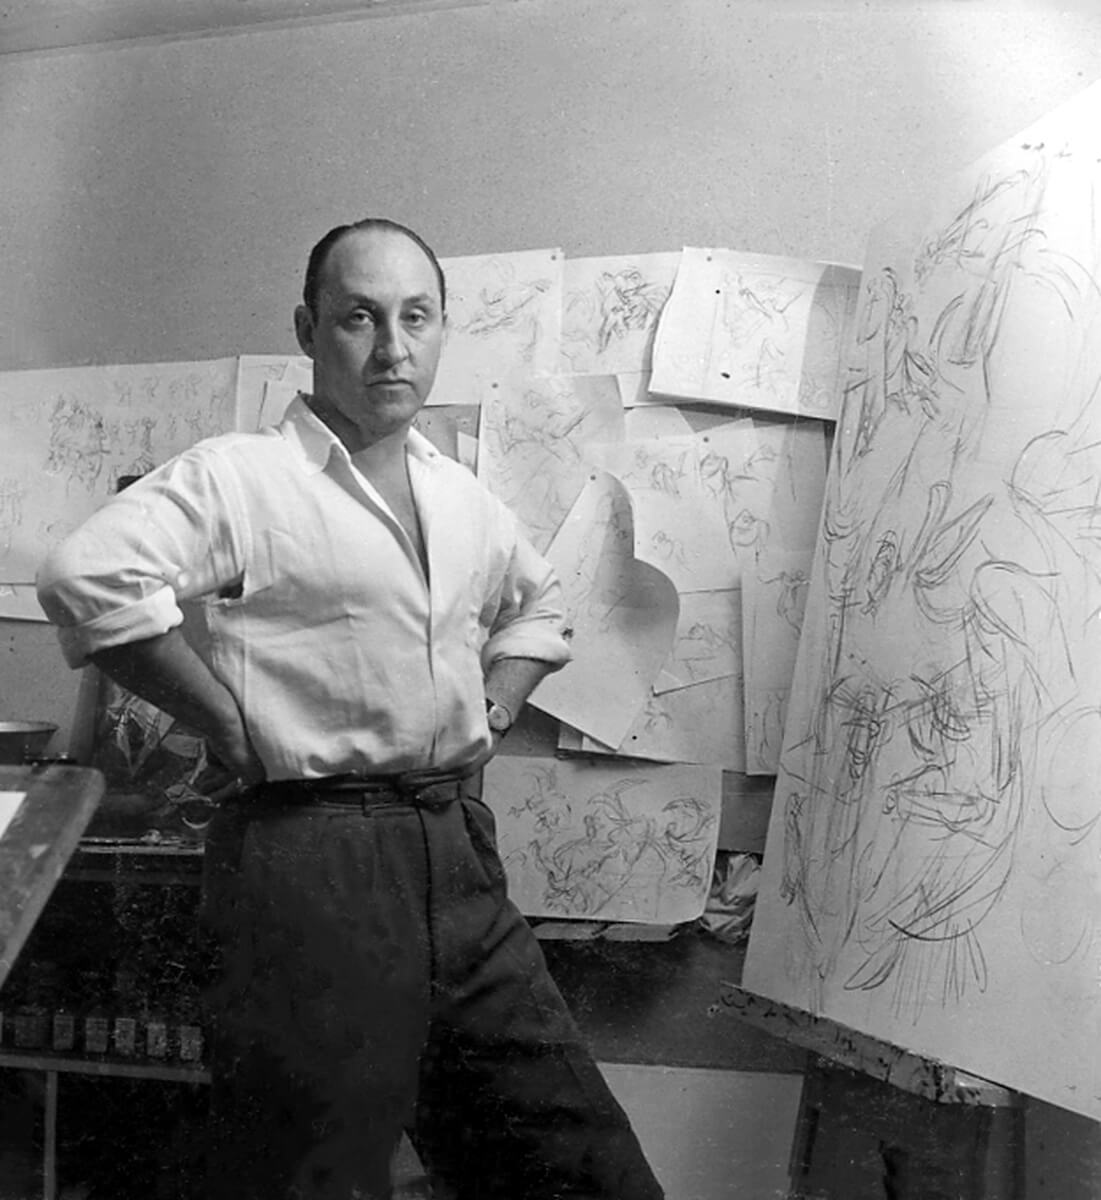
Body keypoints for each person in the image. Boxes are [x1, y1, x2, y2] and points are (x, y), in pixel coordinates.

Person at [36, 218, 665, 1200]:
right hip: (310, 856)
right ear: (309, 328)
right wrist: (219, 718)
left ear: (443, 329)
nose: (392, 347)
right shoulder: (243, 477)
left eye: (416, 317)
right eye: (359, 318)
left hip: (456, 848)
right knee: (316, 1177)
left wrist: (498, 702)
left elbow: (540, 604)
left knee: (577, 1164)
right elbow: (87, 579)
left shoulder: (459, 497)